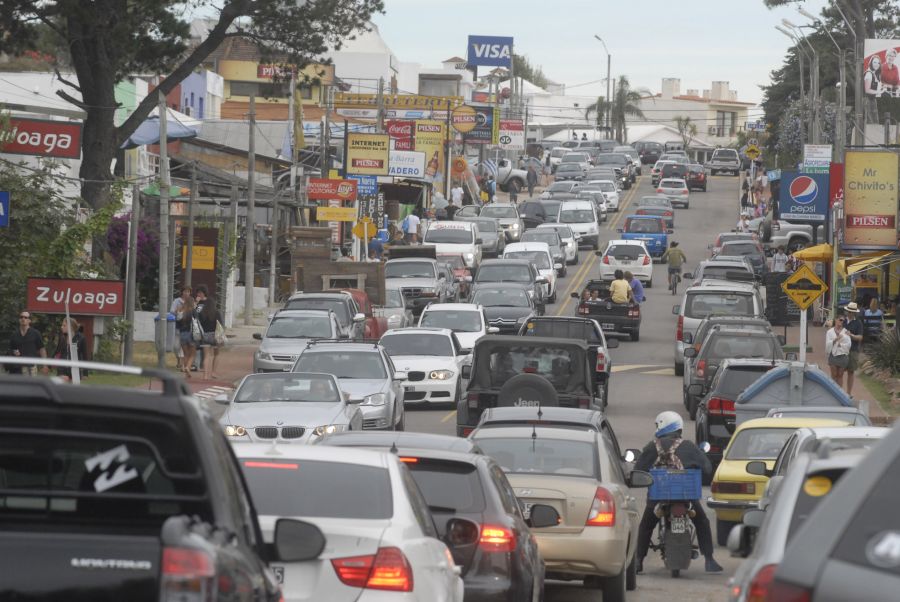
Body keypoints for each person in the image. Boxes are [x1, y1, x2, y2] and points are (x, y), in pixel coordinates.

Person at [634, 411, 722, 574]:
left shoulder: (652, 447)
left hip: (658, 495)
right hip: (685, 494)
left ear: (662, 425)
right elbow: (708, 468)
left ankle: (639, 561)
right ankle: (709, 560)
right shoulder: (689, 446)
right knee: (702, 521)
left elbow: (638, 470)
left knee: (646, 525)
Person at [194, 285, 223, 380]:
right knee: (216, 354)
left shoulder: (203, 313)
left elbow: (197, 320)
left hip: (205, 335)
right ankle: (214, 372)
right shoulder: (217, 312)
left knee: (206, 356)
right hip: (215, 336)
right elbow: (220, 325)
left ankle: (205, 375)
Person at [7, 310, 48, 375]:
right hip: (16, 368)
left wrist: (45, 365)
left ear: (29, 320)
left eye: (26, 317)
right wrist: (14, 352)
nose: (23, 319)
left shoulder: (35, 333)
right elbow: (10, 350)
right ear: (19, 320)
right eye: (21, 317)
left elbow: (42, 349)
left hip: (30, 367)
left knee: (30, 385)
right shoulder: (14, 335)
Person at [842, 303, 864, 396]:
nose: (850, 313)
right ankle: (839, 392)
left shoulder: (858, 323)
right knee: (840, 371)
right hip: (842, 348)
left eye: (852, 312)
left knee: (851, 371)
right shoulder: (842, 320)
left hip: (853, 349)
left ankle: (848, 393)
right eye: (849, 311)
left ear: (854, 312)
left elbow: (860, 337)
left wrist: (851, 335)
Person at [825, 316, 852, 387]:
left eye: (843, 320)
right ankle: (833, 393)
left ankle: (840, 394)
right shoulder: (829, 332)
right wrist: (836, 339)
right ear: (836, 319)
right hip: (833, 355)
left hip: (843, 356)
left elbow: (849, 344)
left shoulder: (846, 332)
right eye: (840, 320)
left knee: (840, 375)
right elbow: (828, 344)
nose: (841, 321)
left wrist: (840, 345)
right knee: (834, 375)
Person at [170, 286, 192, 369]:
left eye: (188, 292)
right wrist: (178, 311)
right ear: (182, 292)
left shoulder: (190, 301)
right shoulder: (177, 301)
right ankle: (178, 359)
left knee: (184, 346)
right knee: (176, 346)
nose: (186, 293)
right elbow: (171, 311)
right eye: (185, 291)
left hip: (187, 328)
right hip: (177, 326)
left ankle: (181, 363)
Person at [177, 293, 197, 378]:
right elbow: (197, 322)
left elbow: (177, 323)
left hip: (182, 334)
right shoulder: (193, 311)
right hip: (191, 334)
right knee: (193, 354)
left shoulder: (181, 311)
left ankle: (186, 372)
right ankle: (188, 368)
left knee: (186, 354)